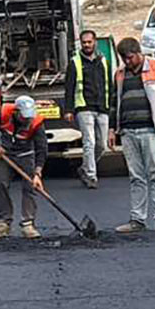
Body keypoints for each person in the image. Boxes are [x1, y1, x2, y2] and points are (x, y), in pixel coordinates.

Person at [110, 38, 155, 233]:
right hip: (128, 132)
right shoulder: (120, 74)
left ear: (138, 53)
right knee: (136, 177)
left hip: (151, 130)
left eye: (130, 57)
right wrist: (112, 129)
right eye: (124, 58)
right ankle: (137, 219)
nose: (127, 62)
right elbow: (115, 101)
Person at [0, 95, 48, 239]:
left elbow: (42, 149)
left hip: (26, 154)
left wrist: (37, 174)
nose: (27, 120)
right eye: (24, 117)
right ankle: (4, 223)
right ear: (16, 112)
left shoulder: (36, 122)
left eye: (29, 117)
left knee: (30, 187)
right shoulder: (2, 113)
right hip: (5, 154)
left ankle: (28, 224)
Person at [64, 30, 113, 189]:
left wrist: (110, 106)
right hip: (84, 107)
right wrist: (69, 109)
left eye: (89, 42)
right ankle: (91, 176)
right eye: (84, 42)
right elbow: (69, 88)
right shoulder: (75, 62)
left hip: (102, 107)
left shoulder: (103, 61)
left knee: (102, 145)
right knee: (89, 142)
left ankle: (84, 168)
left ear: (95, 42)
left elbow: (109, 85)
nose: (86, 45)